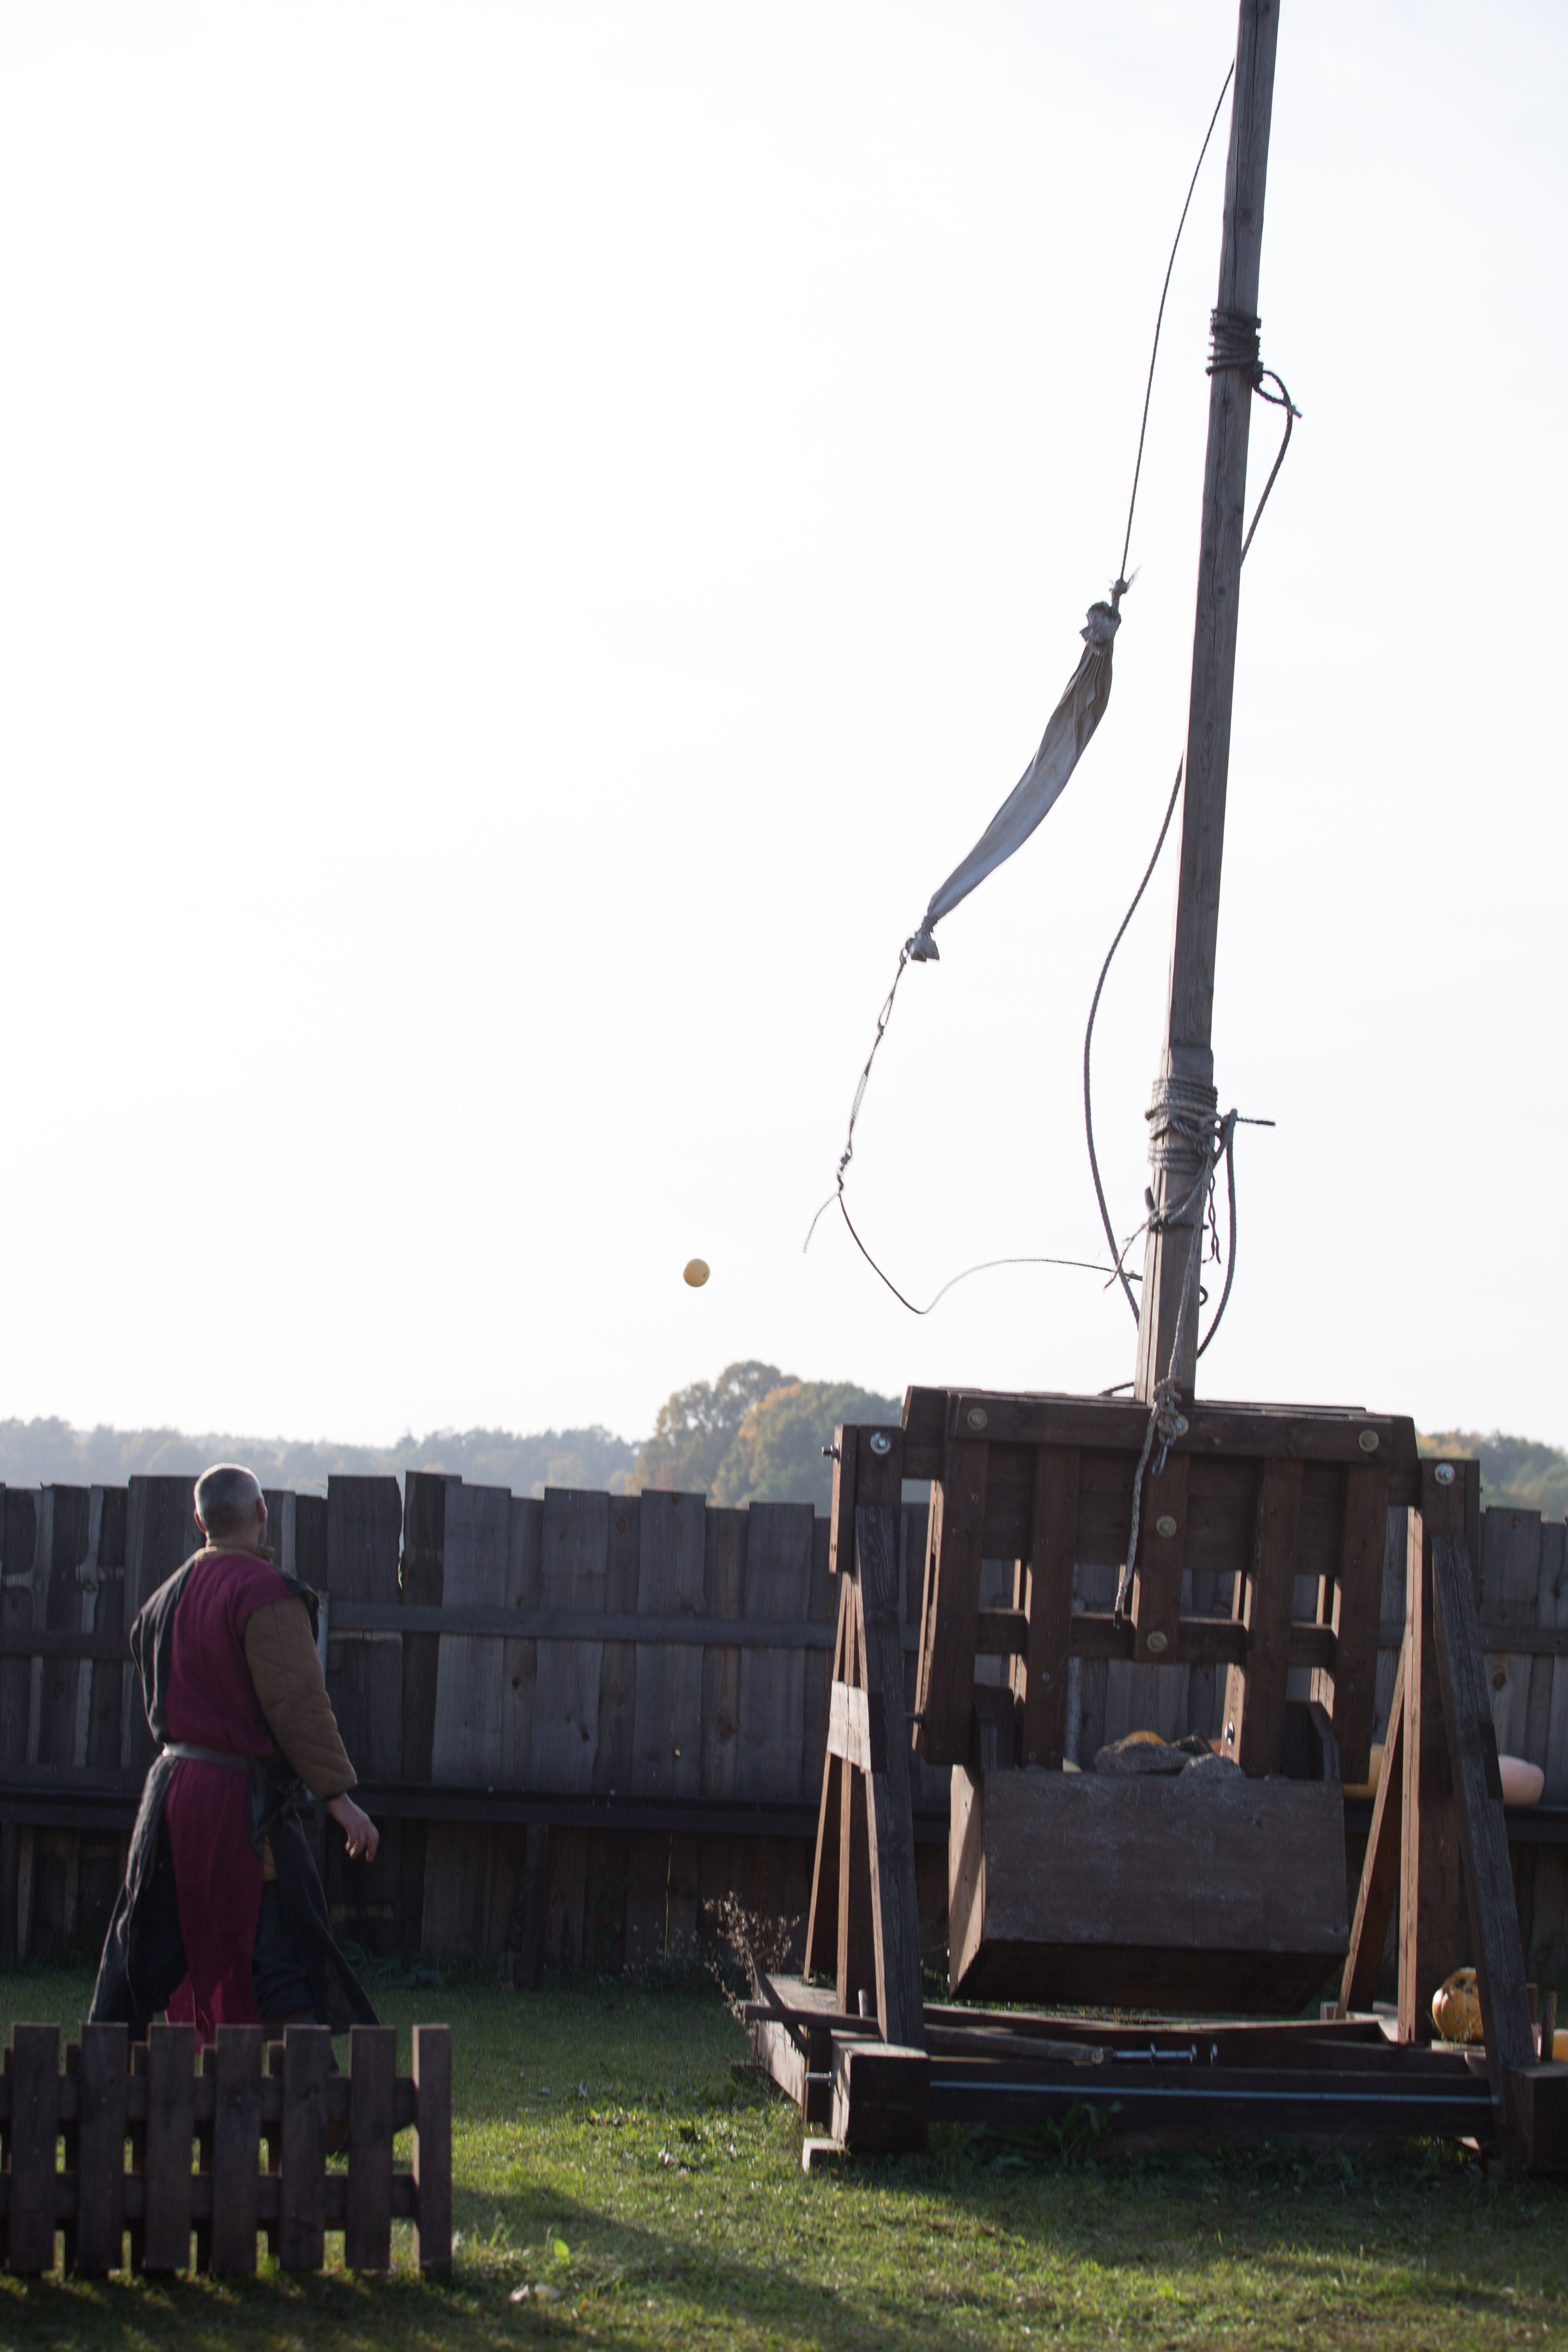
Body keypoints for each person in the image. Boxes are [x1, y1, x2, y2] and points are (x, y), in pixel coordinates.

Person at [91, 1462, 381, 2042]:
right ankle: (307, 2088)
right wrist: (338, 1798)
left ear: (200, 1521)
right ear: (261, 1513)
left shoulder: (163, 1600)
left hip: (170, 1796)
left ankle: (101, 2072)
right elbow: (297, 1703)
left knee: (147, 1946)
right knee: (278, 1944)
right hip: (237, 1805)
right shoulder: (264, 1593)